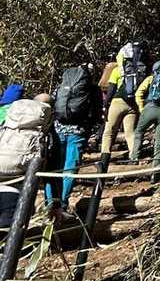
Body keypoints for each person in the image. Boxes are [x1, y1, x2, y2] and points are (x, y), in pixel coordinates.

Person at [45, 59, 103, 214]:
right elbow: (97, 113)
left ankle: (50, 203)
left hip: (57, 130)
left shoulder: (62, 86)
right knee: (70, 168)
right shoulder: (93, 89)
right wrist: (92, 131)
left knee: (54, 168)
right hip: (78, 131)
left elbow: (53, 104)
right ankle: (62, 204)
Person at [0, 94, 54, 232]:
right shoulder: (46, 135)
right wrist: (55, 204)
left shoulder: (7, 125)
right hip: (16, 193)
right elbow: (52, 173)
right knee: (8, 236)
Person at [100, 40, 151, 159]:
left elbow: (111, 89)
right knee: (130, 132)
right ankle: (134, 157)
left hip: (118, 102)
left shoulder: (118, 70)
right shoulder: (143, 70)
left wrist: (105, 104)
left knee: (108, 132)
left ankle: (103, 162)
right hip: (133, 105)